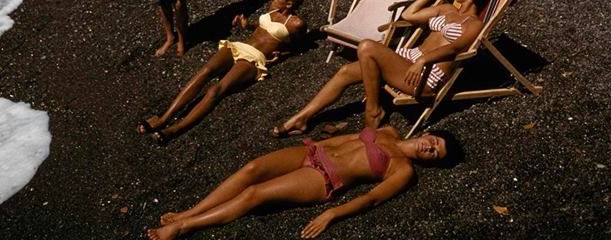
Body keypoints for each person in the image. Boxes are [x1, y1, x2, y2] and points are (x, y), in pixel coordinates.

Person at [272, 0, 492, 138]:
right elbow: (409, 14)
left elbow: (456, 48)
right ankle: (302, 118)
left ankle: (373, 111)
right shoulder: (446, 9)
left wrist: (423, 59)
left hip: (425, 78)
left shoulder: (473, 24)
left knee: (367, 47)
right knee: (345, 71)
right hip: (408, 63)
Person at [145, 127, 456, 240]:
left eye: (435, 154)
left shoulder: (403, 171)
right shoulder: (388, 130)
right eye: (436, 141)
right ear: (429, 132)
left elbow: (372, 199)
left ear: (430, 161)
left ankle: (184, 228)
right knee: (251, 168)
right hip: (312, 153)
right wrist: (315, 144)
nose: (430, 147)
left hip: (322, 179)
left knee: (255, 194)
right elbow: (347, 138)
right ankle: (188, 211)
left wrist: (332, 214)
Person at [138, 0, 306, 143]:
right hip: (239, 46)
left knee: (216, 91)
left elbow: (298, 46)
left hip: (254, 58)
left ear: (289, 3)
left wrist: (282, 55)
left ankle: (175, 129)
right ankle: (163, 119)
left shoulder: (296, 24)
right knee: (205, 72)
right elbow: (262, 29)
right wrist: (246, 26)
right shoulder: (273, 8)